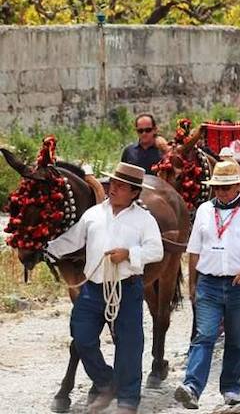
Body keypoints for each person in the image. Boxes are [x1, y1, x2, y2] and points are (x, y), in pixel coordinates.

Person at [46, 162, 163, 414]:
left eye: (121, 186)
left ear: (134, 192)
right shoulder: (94, 214)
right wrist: (47, 249)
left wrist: (129, 254)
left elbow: (157, 250)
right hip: (93, 288)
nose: (113, 189)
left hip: (126, 289)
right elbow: (72, 239)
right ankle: (107, 382)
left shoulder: (144, 219)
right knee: (82, 337)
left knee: (129, 344)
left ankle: (128, 401)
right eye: (113, 183)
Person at [176, 161, 240, 409]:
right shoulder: (204, 210)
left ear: (239, 186)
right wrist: (192, 285)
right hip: (208, 283)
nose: (221, 192)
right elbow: (194, 250)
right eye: (218, 188)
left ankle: (230, 388)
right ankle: (192, 387)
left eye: (227, 187)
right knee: (204, 335)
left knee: (238, 340)